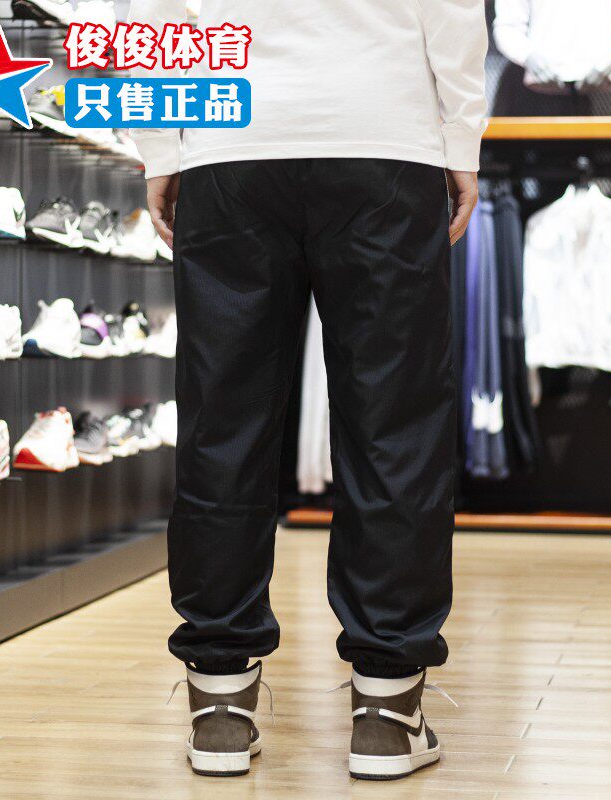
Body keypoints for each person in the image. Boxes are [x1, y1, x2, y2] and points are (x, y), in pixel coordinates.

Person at [129, 0, 487, 781]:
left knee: (224, 423)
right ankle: (388, 709)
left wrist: (161, 151)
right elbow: (453, 12)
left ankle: (219, 702)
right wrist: (461, 138)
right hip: (383, 138)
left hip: (232, 144)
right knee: (394, 426)